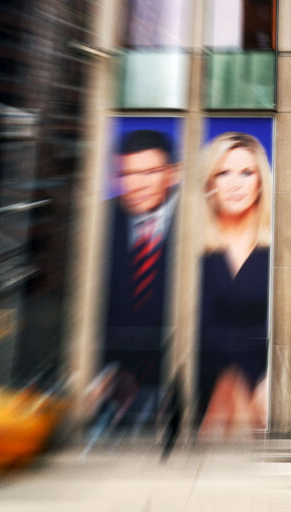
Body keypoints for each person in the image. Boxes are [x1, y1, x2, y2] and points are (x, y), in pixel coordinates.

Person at [196, 132, 271, 440]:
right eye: (223, 173)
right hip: (204, 377)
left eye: (246, 173)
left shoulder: (281, 247)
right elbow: (199, 327)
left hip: (265, 386)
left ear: (260, 182)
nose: (235, 184)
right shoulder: (194, 247)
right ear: (210, 183)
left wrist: (268, 381)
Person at [104, 128, 180, 424]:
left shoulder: (200, 221)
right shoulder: (103, 221)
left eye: (150, 172)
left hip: (176, 378)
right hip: (115, 381)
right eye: (128, 174)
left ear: (172, 174)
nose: (138, 185)